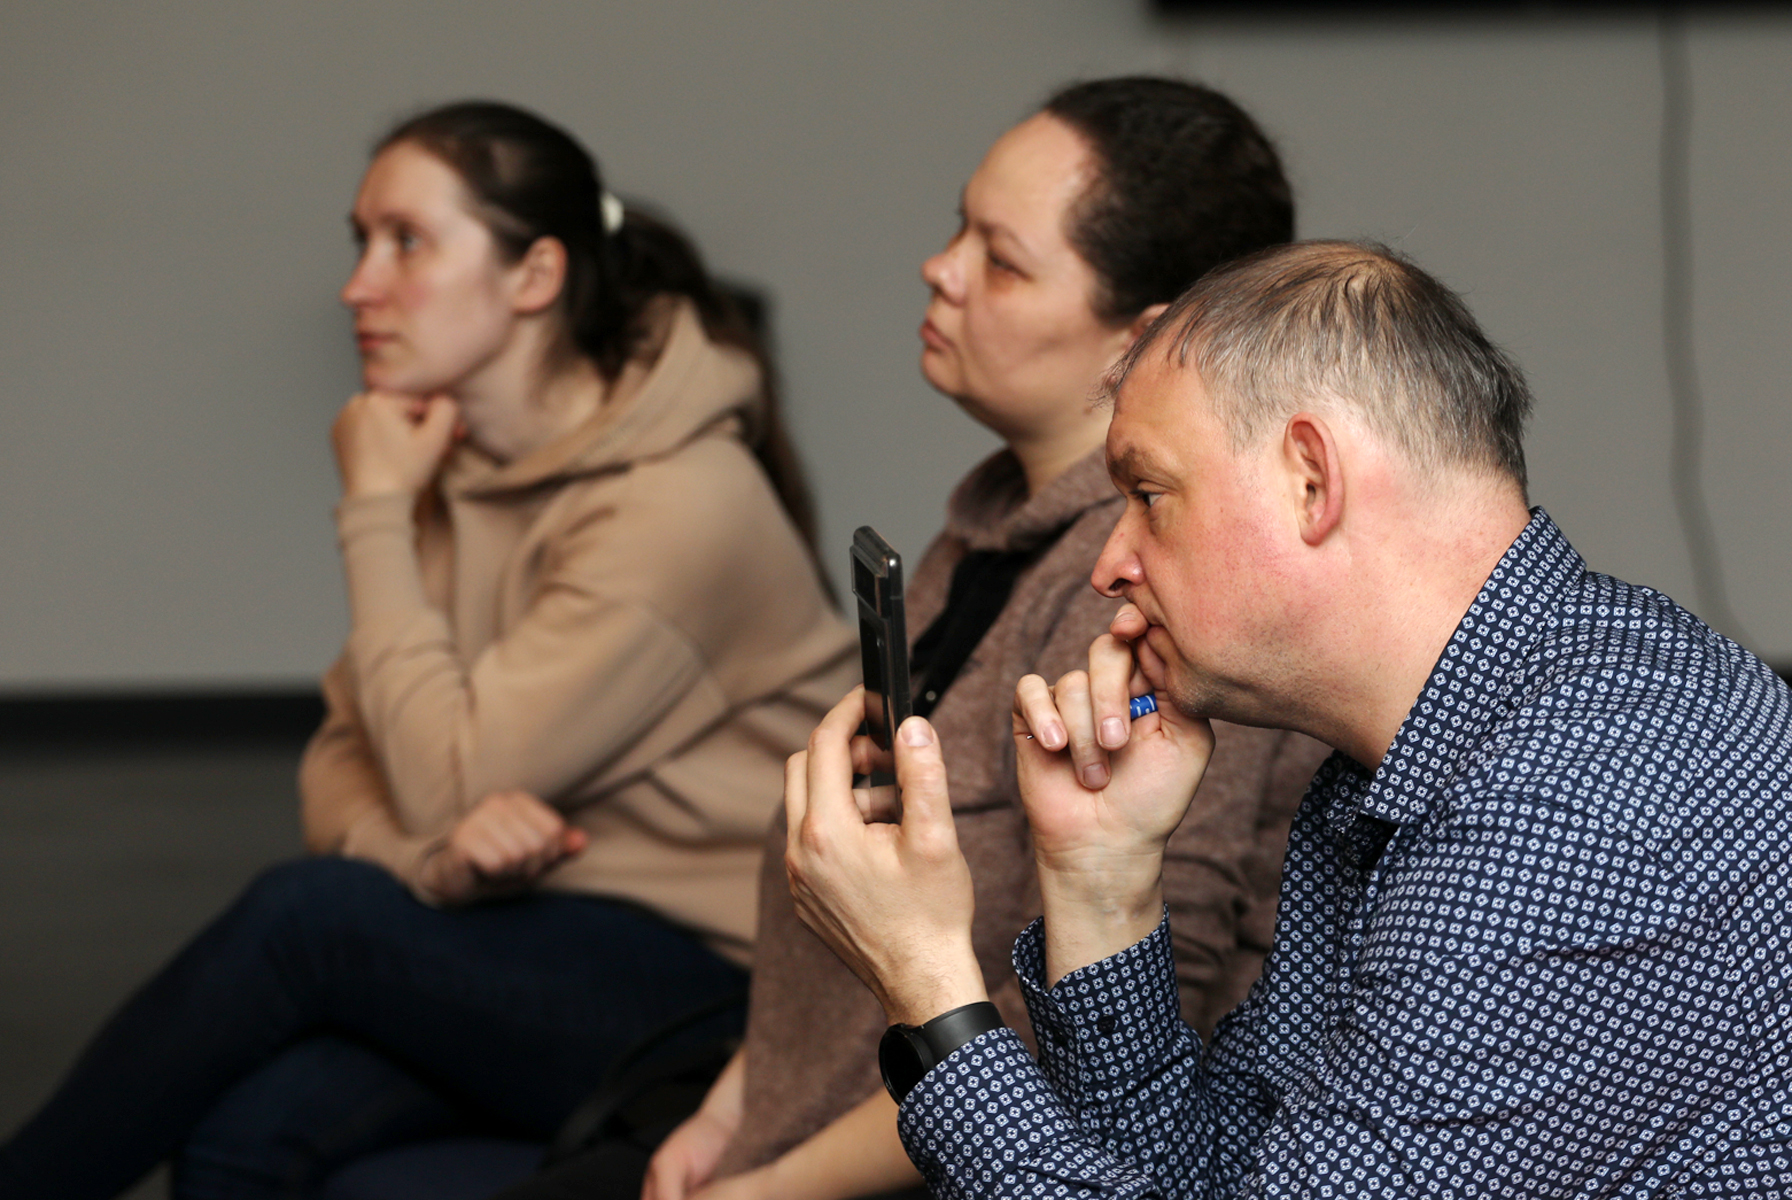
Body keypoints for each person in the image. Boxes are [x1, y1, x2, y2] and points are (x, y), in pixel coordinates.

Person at [784, 239, 1792, 1197]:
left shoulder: (1572, 811)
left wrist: (928, 990)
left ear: (1312, 480)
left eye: (1148, 494)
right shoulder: (1424, 747)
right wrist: (1101, 885)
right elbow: (1213, 1176)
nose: (1110, 566)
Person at [0, 101, 854, 1200]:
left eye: (406, 242)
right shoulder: (458, 463)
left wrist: (374, 514)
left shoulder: (680, 506)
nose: (358, 286)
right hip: (529, 937)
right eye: (361, 242)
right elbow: (341, 760)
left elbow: (447, 777)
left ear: (535, 275)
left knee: (305, 921)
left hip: (726, 994)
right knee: (247, 1135)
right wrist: (426, 862)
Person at [496, 78, 1327, 1200]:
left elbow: (1116, 1011)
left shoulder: (1142, 589)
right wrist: (729, 1114)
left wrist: (773, 1188)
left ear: (1143, 340)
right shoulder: (983, 531)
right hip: (796, 1129)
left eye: (1002, 260)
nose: (941, 269)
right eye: (958, 229)